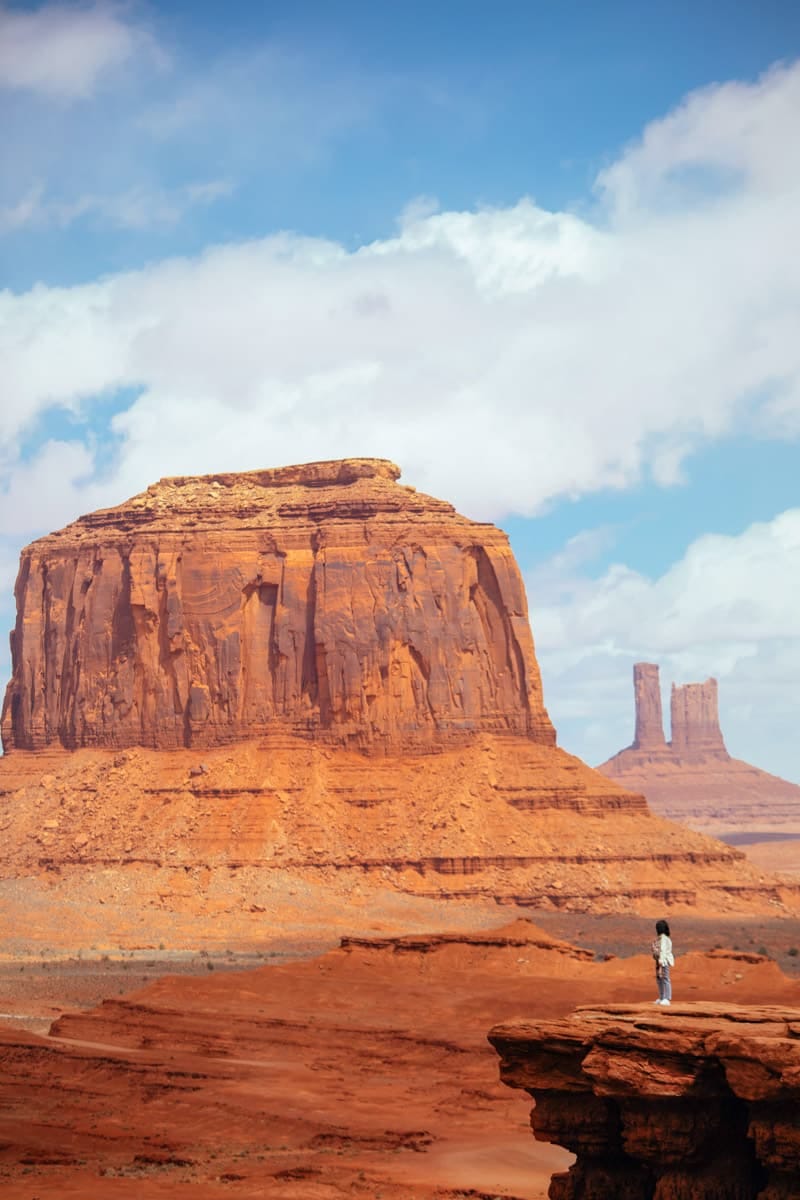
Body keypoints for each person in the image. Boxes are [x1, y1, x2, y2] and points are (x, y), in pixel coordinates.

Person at [653, 919, 674, 1005]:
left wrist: (661, 960)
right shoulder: (660, 938)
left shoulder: (664, 939)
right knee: (659, 979)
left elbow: (663, 950)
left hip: (664, 961)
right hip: (659, 961)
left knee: (665, 978)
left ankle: (667, 998)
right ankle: (662, 997)